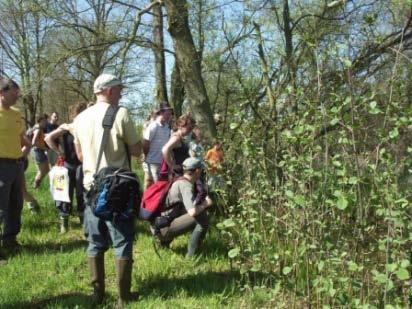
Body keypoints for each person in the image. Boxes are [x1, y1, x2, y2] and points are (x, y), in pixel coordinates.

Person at [73, 73, 141, 306]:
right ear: (110, 90)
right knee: (122, 241)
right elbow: (135, 150)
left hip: (91, 188)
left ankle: (97, 295)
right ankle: (123, 298)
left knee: (95, 242)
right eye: (120, 88)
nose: (121, 92)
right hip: (117, 189)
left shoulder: (80, 118)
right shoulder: (120, 113)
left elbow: (80, 155)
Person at [155, 157, 213, 258]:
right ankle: (191, 257)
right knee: (203, 217)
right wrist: (206, 203)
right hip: (164, 229)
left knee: (194, 213)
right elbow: (192, 212)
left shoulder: (179, 180)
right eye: (201, 170)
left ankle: (163, 244)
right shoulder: (185, 185)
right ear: (197, 171)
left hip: (160, 224)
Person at [0, 77, 31, 258]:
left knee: (16, 204)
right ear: (2, 93)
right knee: (0, 207)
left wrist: (26, 147)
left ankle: (10, 239)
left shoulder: (16, 113)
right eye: (14, 94)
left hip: (16, 165)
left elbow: (22, 138)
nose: (17, 98)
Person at [45, 102, 87, 233]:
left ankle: (84, 221)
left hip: (83, 166)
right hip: (67, 166)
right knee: (64, 195)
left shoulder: (87, 127)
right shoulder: (65, 128)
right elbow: (48, 139)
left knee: (83, 195)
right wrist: (59, 151)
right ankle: (64, 223)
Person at [142, 102, 173, 189]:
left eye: (170, 113)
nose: (170, 115)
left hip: (162, 161)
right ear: (161, 112)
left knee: (158, 185)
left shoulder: (167, 127)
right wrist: (146, 155)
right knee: (153, 185)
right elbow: (145, 142)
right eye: (168, 113)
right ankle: (144, 201)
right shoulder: (153, 126)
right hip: (152, 161)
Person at [31, 114, 50, 189]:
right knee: (41, 171)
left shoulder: (39, 128)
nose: (46, 122)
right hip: (38, 151)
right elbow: (34, 142)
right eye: (44, 121)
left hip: (40, 151)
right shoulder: (38, 129)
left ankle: (37, 185)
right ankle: (35, 186)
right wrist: (44, 148)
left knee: (46, 170)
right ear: (40, 121)